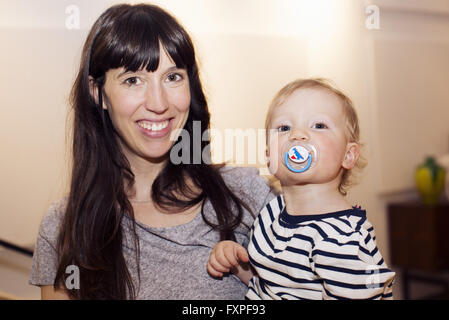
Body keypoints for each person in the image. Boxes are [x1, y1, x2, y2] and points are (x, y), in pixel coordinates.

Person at [29, 3, 276, 300]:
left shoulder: (251, 195)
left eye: (173, 77)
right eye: (133, 80)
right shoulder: (64, 227)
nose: (159, 103)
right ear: (98, 93)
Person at [207, 78, 396, 299]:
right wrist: (235, 264)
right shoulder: (271, 214)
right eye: (284, 127)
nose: (297, 135)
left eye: (319, 125)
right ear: (269, 156)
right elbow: (272, 286)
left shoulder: (342, 242)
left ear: (348, 155)